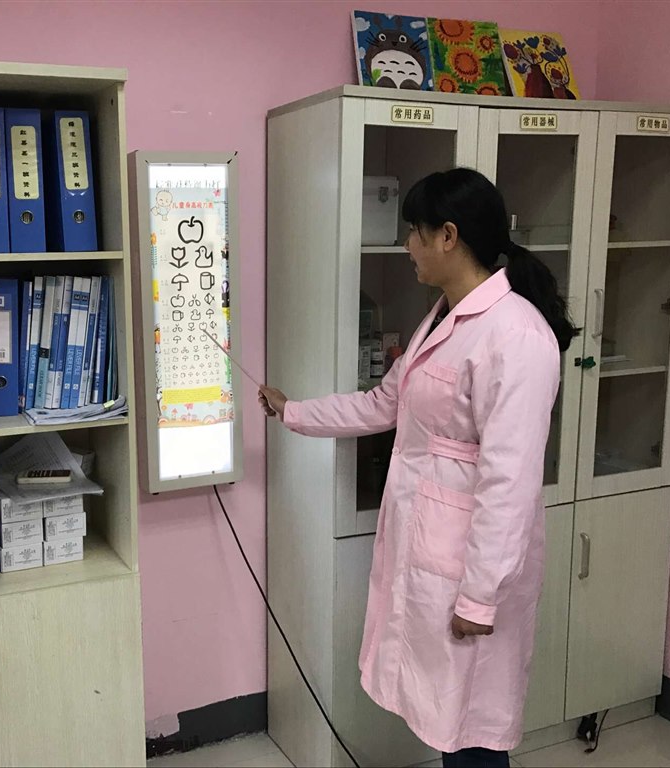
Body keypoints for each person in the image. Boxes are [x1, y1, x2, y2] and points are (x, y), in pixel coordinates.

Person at [259, 168, 578, 768]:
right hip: (433, 546)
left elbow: (509, 484)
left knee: (474, 727)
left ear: (448, 236)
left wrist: (479, 597)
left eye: (415, 231)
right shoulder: (442, 317)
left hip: (473, 568)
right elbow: (385, 404)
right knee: (448, 719)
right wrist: (293, 411)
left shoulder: (517, 335)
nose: (407, 244)